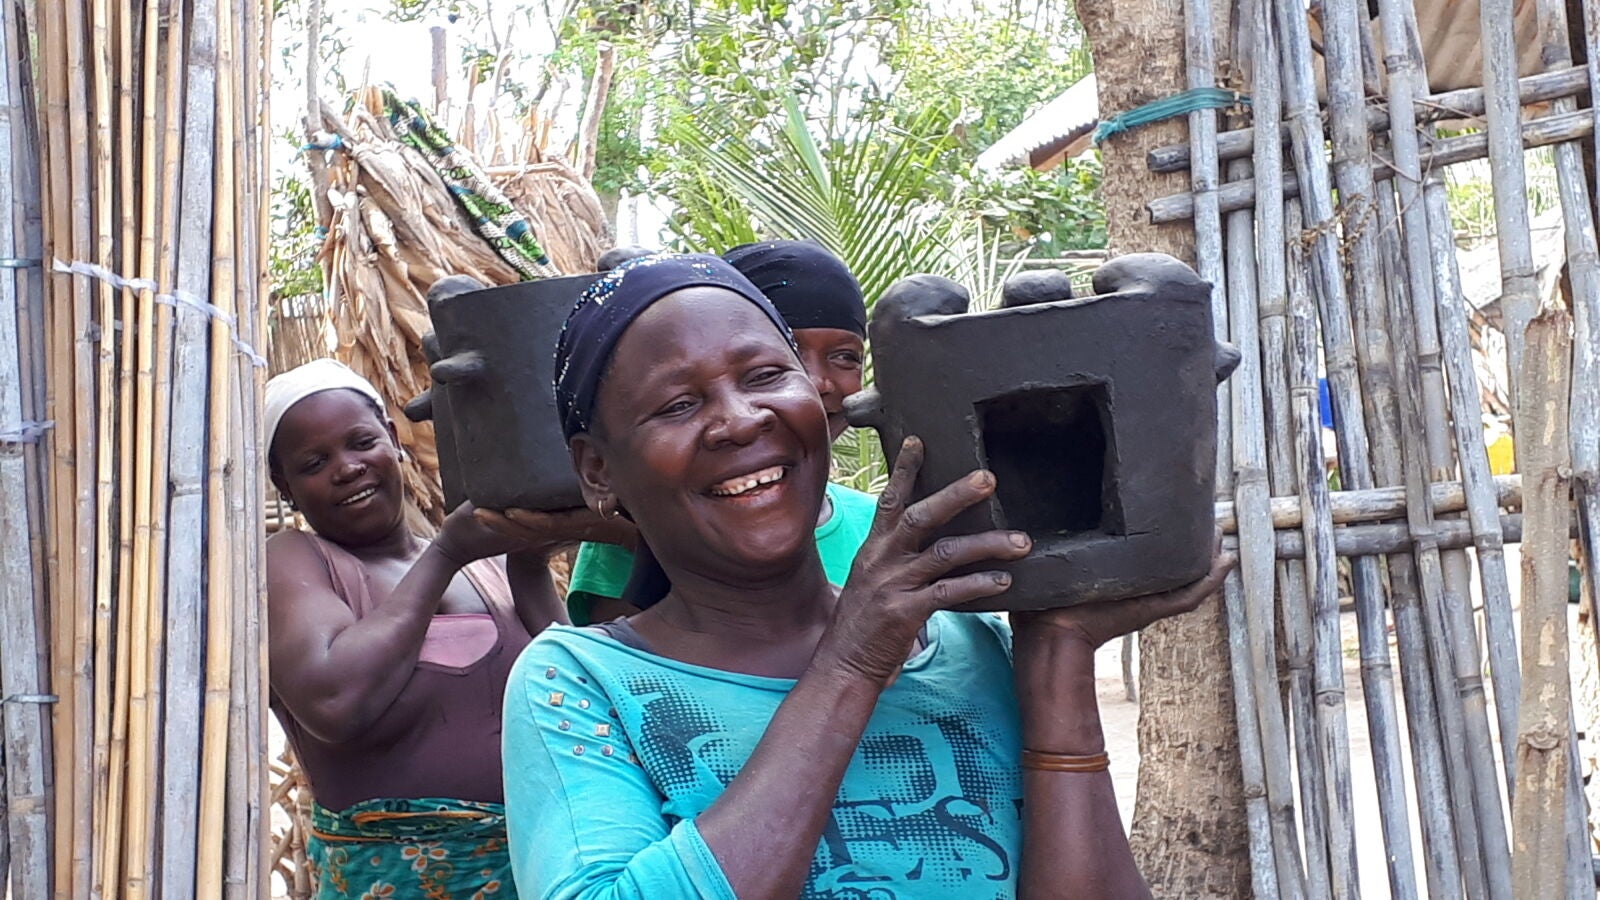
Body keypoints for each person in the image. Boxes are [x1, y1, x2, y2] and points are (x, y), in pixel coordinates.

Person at [501, 254, 1234, 898]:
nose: (742, 420)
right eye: (678, 404)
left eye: (766, 375)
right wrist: (851, 661)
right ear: (598, 470)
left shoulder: (975, 649)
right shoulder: (579, 683)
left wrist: (1057, 654)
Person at [264, 358, 579, 900]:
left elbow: (574, 696)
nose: (347, 468)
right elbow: (334, 701)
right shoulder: (296, 562)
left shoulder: (488, 566)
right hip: (392, 880)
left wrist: (528, 565)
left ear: (393, 439)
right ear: (284, 486)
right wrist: (447, 553)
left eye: (362, 442)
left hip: (542, 870)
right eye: (314, 462)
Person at [563, 240, 877, 625]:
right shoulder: (638, 536)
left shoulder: (883, 525)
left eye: (845, 356)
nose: (817, 382)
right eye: (679, 404)